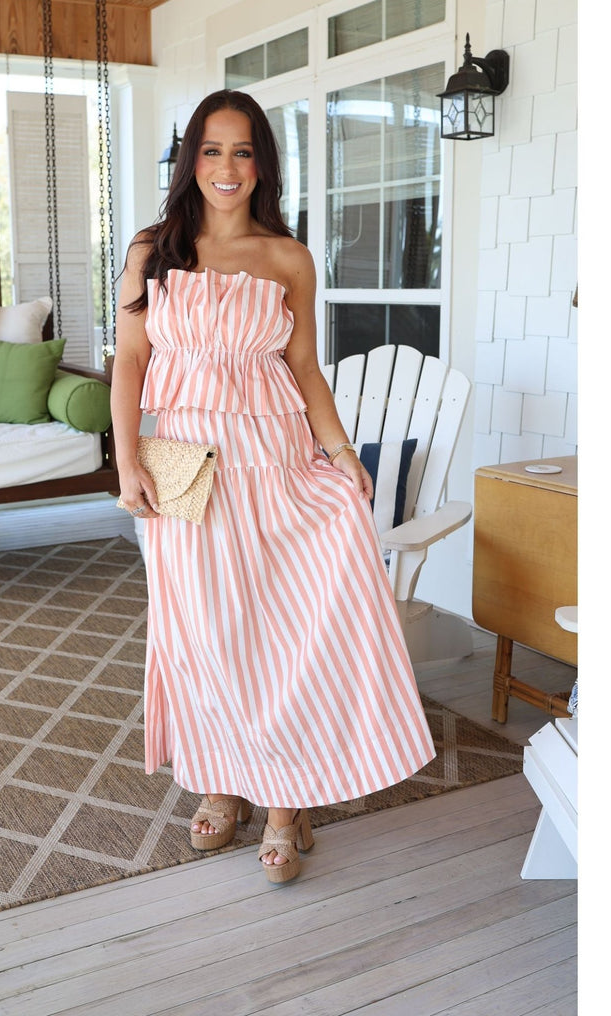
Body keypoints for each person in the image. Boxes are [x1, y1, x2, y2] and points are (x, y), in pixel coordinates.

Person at [111, 88, 436, 884]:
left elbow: (301, 369)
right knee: (203, 633)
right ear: (192, 160)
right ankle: (221, 780)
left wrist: (341, 452)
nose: (228, 167)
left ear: (264, 165)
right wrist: (126, 463)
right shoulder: (153, 250)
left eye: (244, 151)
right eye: (213, 150)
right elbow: (130, 362)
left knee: (285, 632)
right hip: (184, 467)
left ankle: (288, 802)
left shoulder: (289, 259)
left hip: (277, 462)